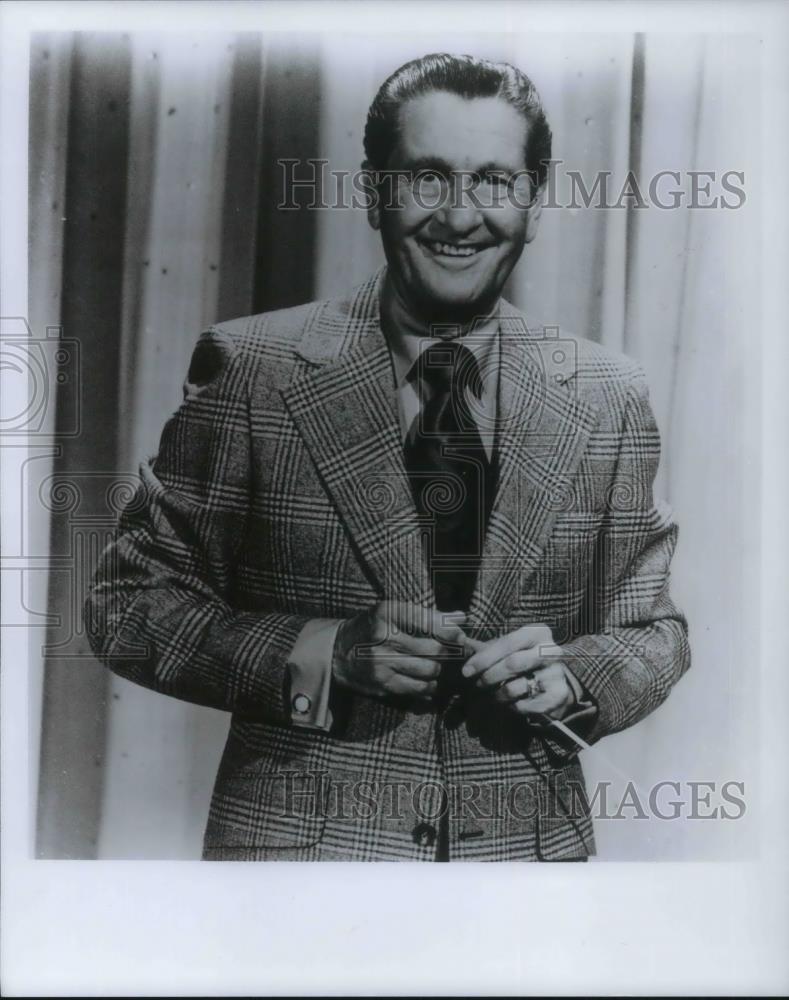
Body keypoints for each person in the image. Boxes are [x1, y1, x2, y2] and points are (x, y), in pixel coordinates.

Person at [86, 53, 690, 861]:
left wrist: (576, 677)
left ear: (535, 203)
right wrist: (323, 652)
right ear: (374, 192)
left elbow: (653, 631)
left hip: (526, 879)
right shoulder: (252, 369)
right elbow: (127, 605)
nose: (460, 215)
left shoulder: (608, 395)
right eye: (427, 178)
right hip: (301, 888)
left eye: (494, 181)